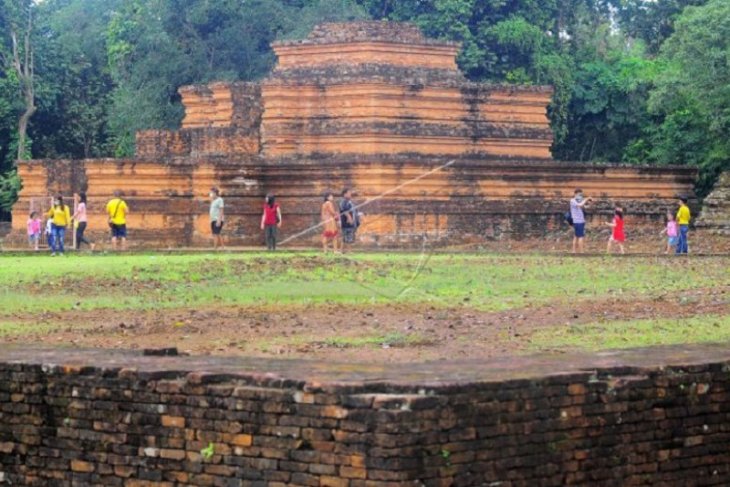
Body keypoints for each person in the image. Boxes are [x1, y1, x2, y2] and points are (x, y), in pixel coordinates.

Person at [569, 188, 592, 253]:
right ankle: (581, 252)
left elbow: (586, 207)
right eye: (579, 194)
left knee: (576, 236)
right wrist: (586, 199)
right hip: (577, 221)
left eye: (581, 195)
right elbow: (580, 205)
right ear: (575, 194)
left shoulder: (579, 200)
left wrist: (589, 202)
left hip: (580, 220)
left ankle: (573, 251)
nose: (580, 196)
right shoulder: (572, 200)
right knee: (581, 236)